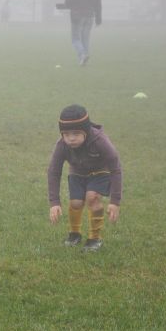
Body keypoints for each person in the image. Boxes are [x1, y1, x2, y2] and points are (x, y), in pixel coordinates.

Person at [47, 104, 122, 252]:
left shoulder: (99, 140)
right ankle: (74, 234)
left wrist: (115, 201)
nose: (71, 138)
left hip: (100, 172)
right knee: (75, 203)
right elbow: (54, 172)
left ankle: (95, 238)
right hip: (77, 173)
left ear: (86, 131)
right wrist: (54, 202)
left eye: (76, 133)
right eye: (66, 134)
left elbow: (115, 168)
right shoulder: (62, 145)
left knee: (92, 197)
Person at [57, 0, 102, 66]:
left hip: (77, 16)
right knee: (85, 39)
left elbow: (68, 2)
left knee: (75, 39)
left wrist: (66, 6)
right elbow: (98, 4)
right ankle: (83, 60)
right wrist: (98, 18)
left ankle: (82, 55)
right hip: (90, 16)